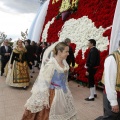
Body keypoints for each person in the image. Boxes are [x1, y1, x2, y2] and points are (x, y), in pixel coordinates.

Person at [22, 42, 77, 120]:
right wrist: (45, 99)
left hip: (63, 92)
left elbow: (64, 80)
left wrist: (67, 92)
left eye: (68, 52)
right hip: (52, 93)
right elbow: (44, 82)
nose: (68, 54)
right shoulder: (51, 64)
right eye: (66, 52)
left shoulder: (64, 63)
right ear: (59, 52)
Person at [95, 41, 120, 120]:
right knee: (110, 117)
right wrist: (113, 101)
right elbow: (109, 82)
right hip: (114, 95)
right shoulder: (112, 58)